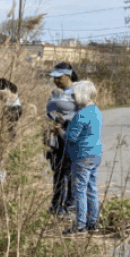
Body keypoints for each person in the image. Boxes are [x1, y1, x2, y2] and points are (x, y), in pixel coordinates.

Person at [63, 81, 103, 235]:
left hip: (82, 155)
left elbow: (71, 137)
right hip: (96, 154)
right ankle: (93, 223)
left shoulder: (80, 115)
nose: (73, 98)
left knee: (79, 190)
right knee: (91, 188)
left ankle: (80, 226)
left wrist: (61, 131)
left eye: (74, 95)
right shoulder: (96, 111)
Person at [44, 62, 79, 216]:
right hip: (56, 137)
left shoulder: (77, 91)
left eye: (59, 78)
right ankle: (57, 206)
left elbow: (84, 115)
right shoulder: (57, 93)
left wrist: (66, 124)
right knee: (58, 172)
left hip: (69, 136)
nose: (56, 80)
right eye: (54, 78)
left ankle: (68, 207)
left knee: (68, 172)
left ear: (67, 76)